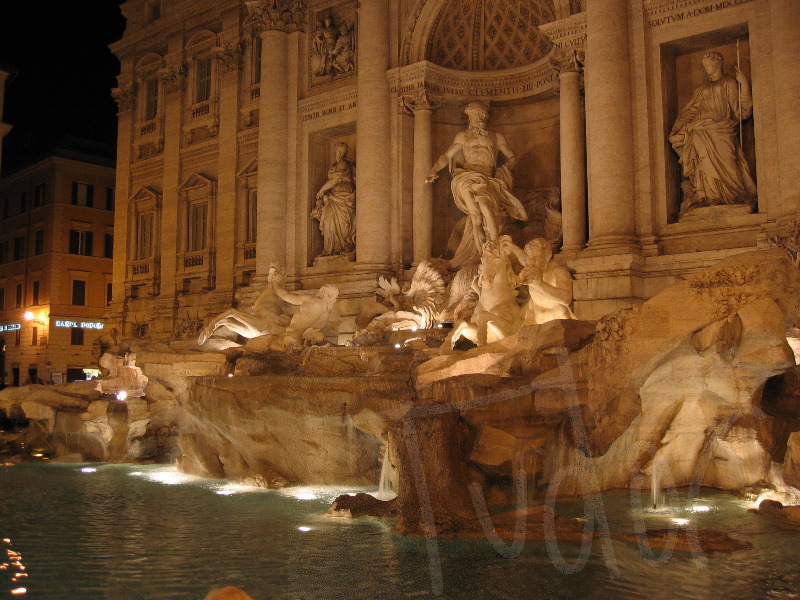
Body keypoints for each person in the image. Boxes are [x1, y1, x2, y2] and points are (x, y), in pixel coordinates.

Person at [426, 102, 527, 268]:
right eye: (472, 116)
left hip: (487, 180)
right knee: (476, 216)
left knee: (486, 209)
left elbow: (511, 157)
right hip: (466, 177)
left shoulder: (496, 137)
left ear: (484, 117)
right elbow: (446, 156)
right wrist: (433, 169)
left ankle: (494, 251)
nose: (475, 119)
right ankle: (486, 255)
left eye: (478, 115)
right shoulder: (462, 136)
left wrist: (504, 170)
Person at [669, 51, 756, 217]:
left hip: (723, 130)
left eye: (709, 65)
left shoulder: (729, 82)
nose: (707, 68)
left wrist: (744, 85)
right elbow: (691, 111)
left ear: (718, 64)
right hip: (700, 130)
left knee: (729, 164)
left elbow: (740, 113)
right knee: (703, 164)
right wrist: (678, 129)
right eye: (705, 66)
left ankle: (734, 196)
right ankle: (709, 196)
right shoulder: (702, 88)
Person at [505, 237, 576, 325]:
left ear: (546, 257)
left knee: (562, 313)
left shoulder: (558, 271)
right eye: (530, 257)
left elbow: (565, 298)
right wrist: (511, 246)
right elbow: (523, 257)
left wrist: (540, 284)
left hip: (556, 313)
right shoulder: (533, 265)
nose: (531, 260)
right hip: (535, 312)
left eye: (535, 258)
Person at [311, 142, 356, 257]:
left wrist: (321, 190)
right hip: (333, 197)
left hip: (343, 196)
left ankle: (342, 246)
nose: (338, 152)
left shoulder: (343, 163)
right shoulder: (334, 165)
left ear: (343, 152)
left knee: (343, 223)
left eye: (340, 150)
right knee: (329, 223)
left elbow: (335, 180)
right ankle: (331, 249)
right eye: (337, 150)